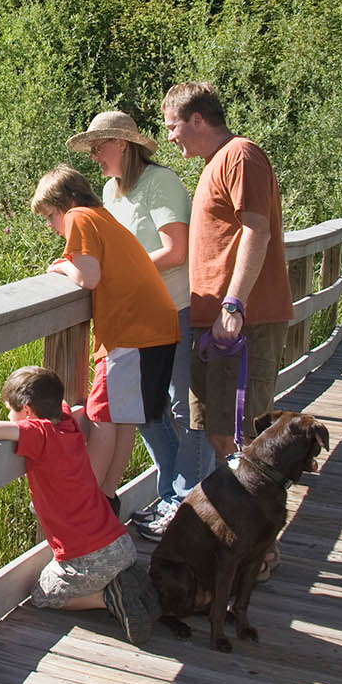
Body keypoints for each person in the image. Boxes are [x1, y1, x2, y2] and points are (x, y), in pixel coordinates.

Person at [66, 109, 213, 539]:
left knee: (185, 410)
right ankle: (173, 495)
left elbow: (176, 250)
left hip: (177, 309)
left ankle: (186, 503)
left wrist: (120, 274)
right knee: (146, 414)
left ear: (122, 144)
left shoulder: (159, 182)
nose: (94, 156)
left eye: (99, 147)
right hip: (135, 322)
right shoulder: (110, 194)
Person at [29, 165, 179, 500]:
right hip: (154, 329)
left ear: (67, 202)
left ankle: (87, 499)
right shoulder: (104, 218)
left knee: (101, 414)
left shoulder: (81, 217)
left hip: (132, 332)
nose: (53, 228)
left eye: (51, 216)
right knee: (123, 416)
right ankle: (107, 495)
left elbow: (88, 277)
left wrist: (62, 265)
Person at [160, 82, 292, 461]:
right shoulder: (213, 164)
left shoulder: (240, 155)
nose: (169, 137)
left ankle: (252, 518)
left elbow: (257, 229)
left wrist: (233, 304)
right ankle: (230, 518)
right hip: (215, 324)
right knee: (219, 435)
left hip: (241, 322)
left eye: (172, 126)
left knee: (244, 434)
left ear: (197, 119)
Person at [0, 365, 156, 646]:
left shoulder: (41, 434)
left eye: (10, 410)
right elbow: (58, 401)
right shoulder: (66, 422)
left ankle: (107, 598)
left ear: (26, 411)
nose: (8, 416)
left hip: (89, 557)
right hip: (120, 543)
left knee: (43, 594)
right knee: (91, 569)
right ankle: (127, 581)